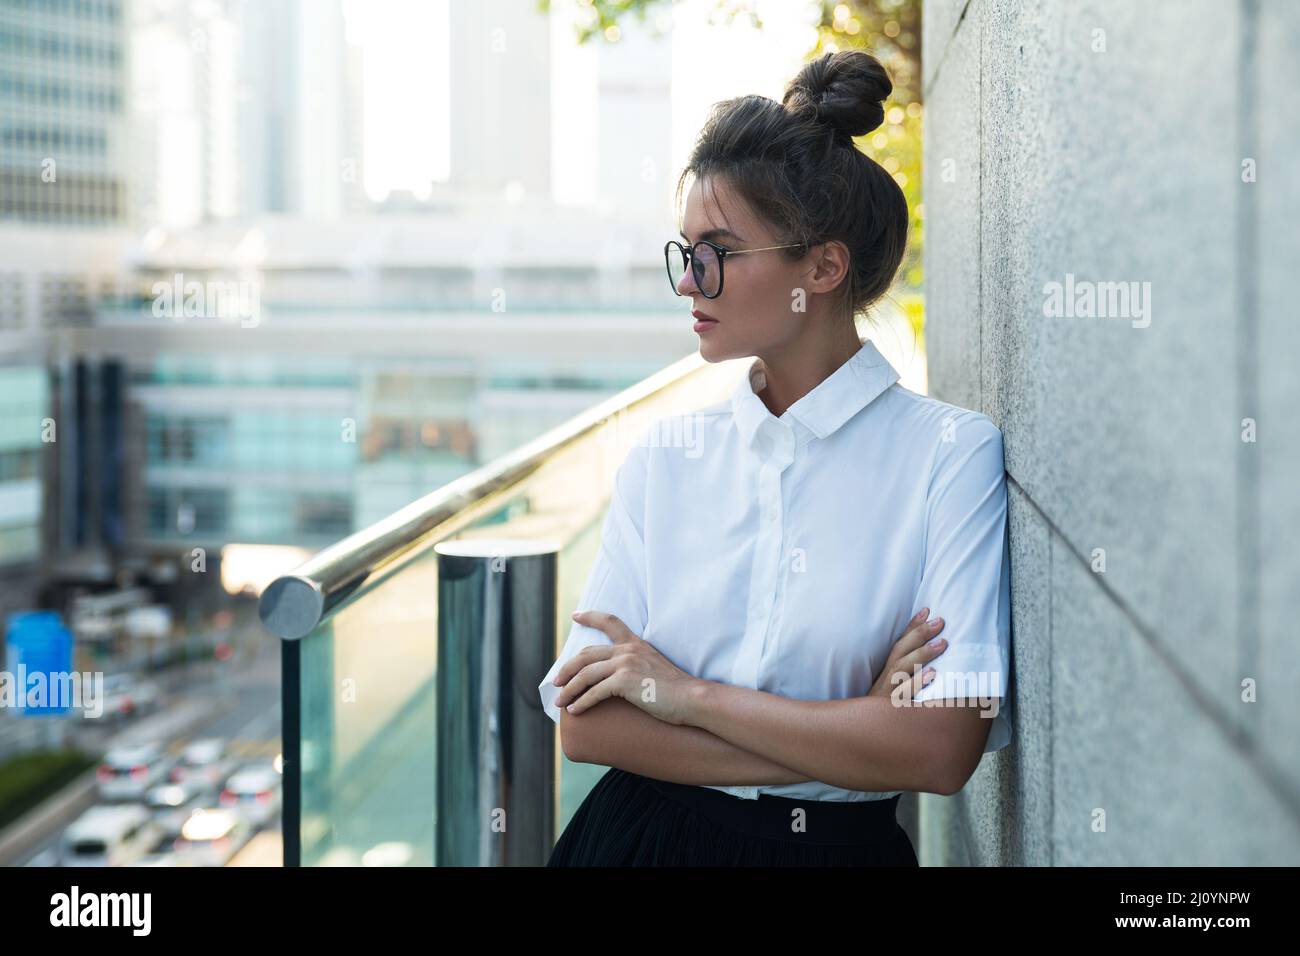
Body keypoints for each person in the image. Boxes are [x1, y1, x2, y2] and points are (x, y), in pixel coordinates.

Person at [538, 49, 1012, 866]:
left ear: (822, 267)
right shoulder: (666, 459)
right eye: (684, 252)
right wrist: (854, 730)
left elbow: (938, 747)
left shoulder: (949, 455)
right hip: (636, 844)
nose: (690, 283)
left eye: (718, 252)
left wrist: (686, 699)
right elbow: (588, 725)